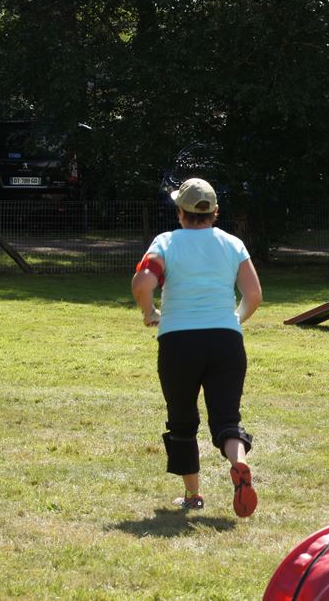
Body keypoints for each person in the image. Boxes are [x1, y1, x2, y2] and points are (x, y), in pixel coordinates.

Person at [131, 178, 263, 516]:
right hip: (226, 341)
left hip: (178, 342)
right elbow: (254, 296)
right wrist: (234, 319)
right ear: (215, 212)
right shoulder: (233, 244)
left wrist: (150, 312)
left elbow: (143, 282)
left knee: (182, 420)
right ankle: (239, 462)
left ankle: (192, 496)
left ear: (180, 213)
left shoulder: (166, 242)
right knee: (227, 418)